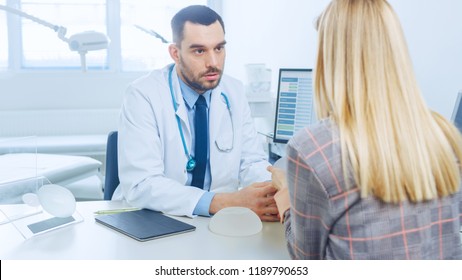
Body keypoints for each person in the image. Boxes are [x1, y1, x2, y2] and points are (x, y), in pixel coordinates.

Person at [268, 0, 462, 259]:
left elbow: (305, 260)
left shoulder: (314, 148)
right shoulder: (443, 133)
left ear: (330, 61)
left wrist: (288, 199)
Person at [112, 5, 279, 221]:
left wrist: (274, 186)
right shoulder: (143, 95)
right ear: (175, 53)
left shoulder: (234, 91)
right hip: (155, 217)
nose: (213, 63)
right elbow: (142, 184)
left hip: (221, 220)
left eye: (219, 48)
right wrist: (225, 202)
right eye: (199, 51)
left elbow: (251, 162)